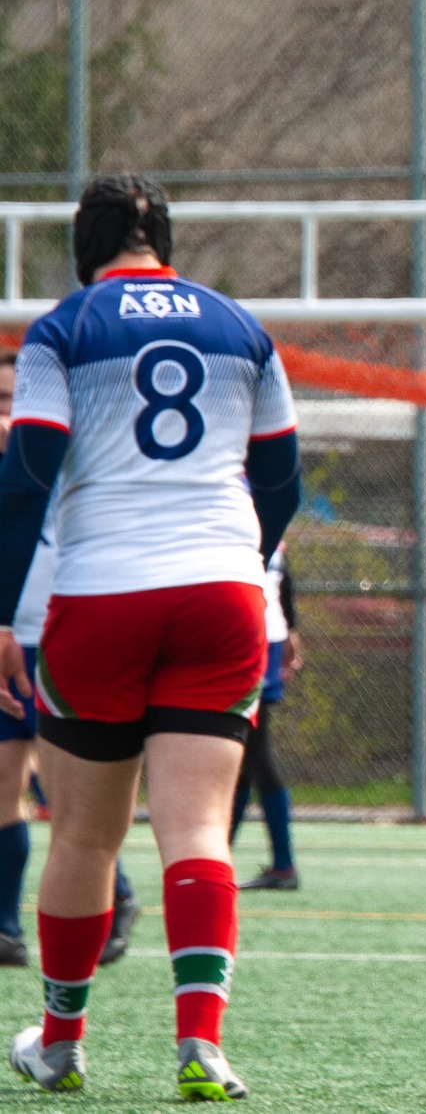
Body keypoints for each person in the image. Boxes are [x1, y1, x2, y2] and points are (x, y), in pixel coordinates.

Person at [0, 172, 300, 1100]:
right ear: (162, 240)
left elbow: (27, 473)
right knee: (199, 828)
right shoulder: (240, 326)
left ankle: (59, 1042)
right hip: (219, 591)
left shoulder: (62, 328)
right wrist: (242, 556)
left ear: (84, 249)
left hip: (102, 595)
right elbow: (282, 473)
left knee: (86, 839)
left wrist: (6, 613)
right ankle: (200, 1044)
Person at [0, 355, 142, 971]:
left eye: (12, 396)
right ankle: (6, 929)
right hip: (11, 639)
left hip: (68, 635)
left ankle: (124, 893)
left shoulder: (67, 448)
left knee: (71, 799)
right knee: (7, 788)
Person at [232, 546, 300, 890]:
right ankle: (216, 856)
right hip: (260, 632)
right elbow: (284, 579)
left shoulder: (243, 504)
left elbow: (282, 580)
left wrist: (291, 629)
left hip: (252, 633)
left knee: (253, 747)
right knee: (243, 751)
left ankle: (284, 865)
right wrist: (292, 629)